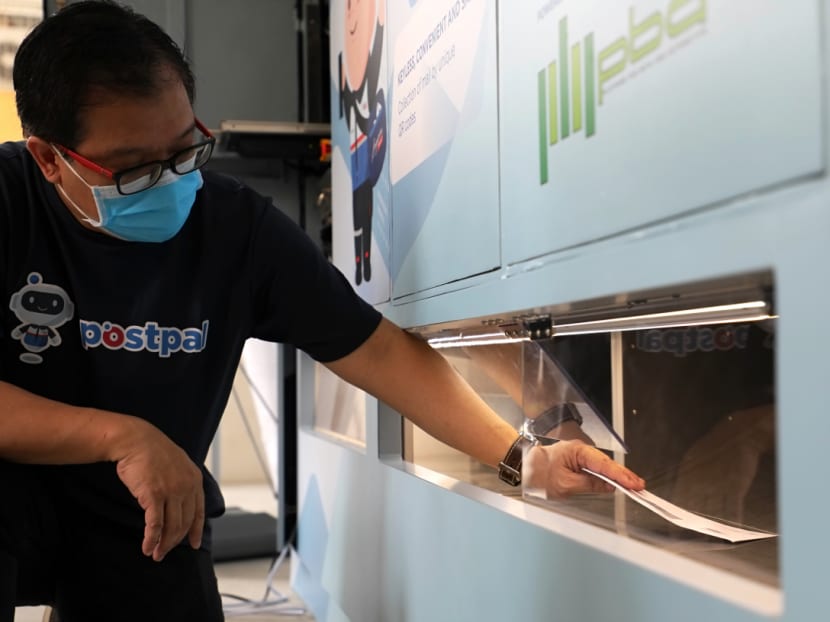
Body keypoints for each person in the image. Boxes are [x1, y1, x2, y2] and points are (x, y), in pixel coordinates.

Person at [0, 2, 644, 621]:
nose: (171, 182)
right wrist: (121, 435)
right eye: (136, 171)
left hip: (152, 510)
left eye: (185, 151)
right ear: (50, 159)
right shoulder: (7, 202)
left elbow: (379, 351)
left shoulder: (236, 231)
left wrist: (523, 459)